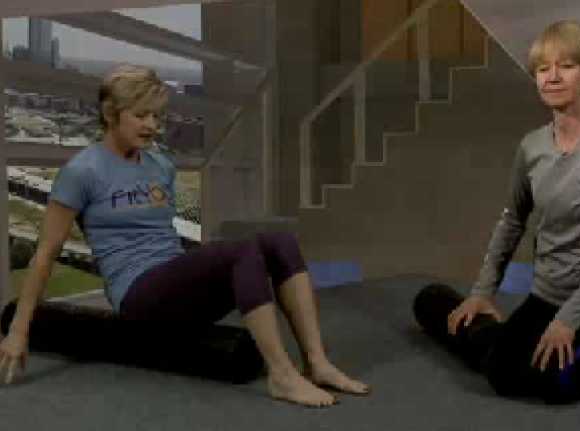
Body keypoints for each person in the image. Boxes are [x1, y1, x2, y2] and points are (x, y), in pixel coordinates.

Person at [0, 65, 368, 407]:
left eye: (157, 116)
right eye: (141, 115)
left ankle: (316, 362)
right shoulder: (82, 171)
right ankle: (282, 376)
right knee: (242, 251)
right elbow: (46, 253)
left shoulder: (160, 165)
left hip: (174, 287)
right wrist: (19, 330)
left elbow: (162, 236)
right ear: (111, 114)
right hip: (138, 296)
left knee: (280, 241)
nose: (152, 125)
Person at [413, 20, 580, 403]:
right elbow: (513, 220)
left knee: (557, 384)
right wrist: (483, 291)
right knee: (501, 375)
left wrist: (567, 321)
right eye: (542, 68)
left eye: (566, 66)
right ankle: (441, 307)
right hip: (545, 297)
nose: (552, 77)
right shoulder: (532, 146)